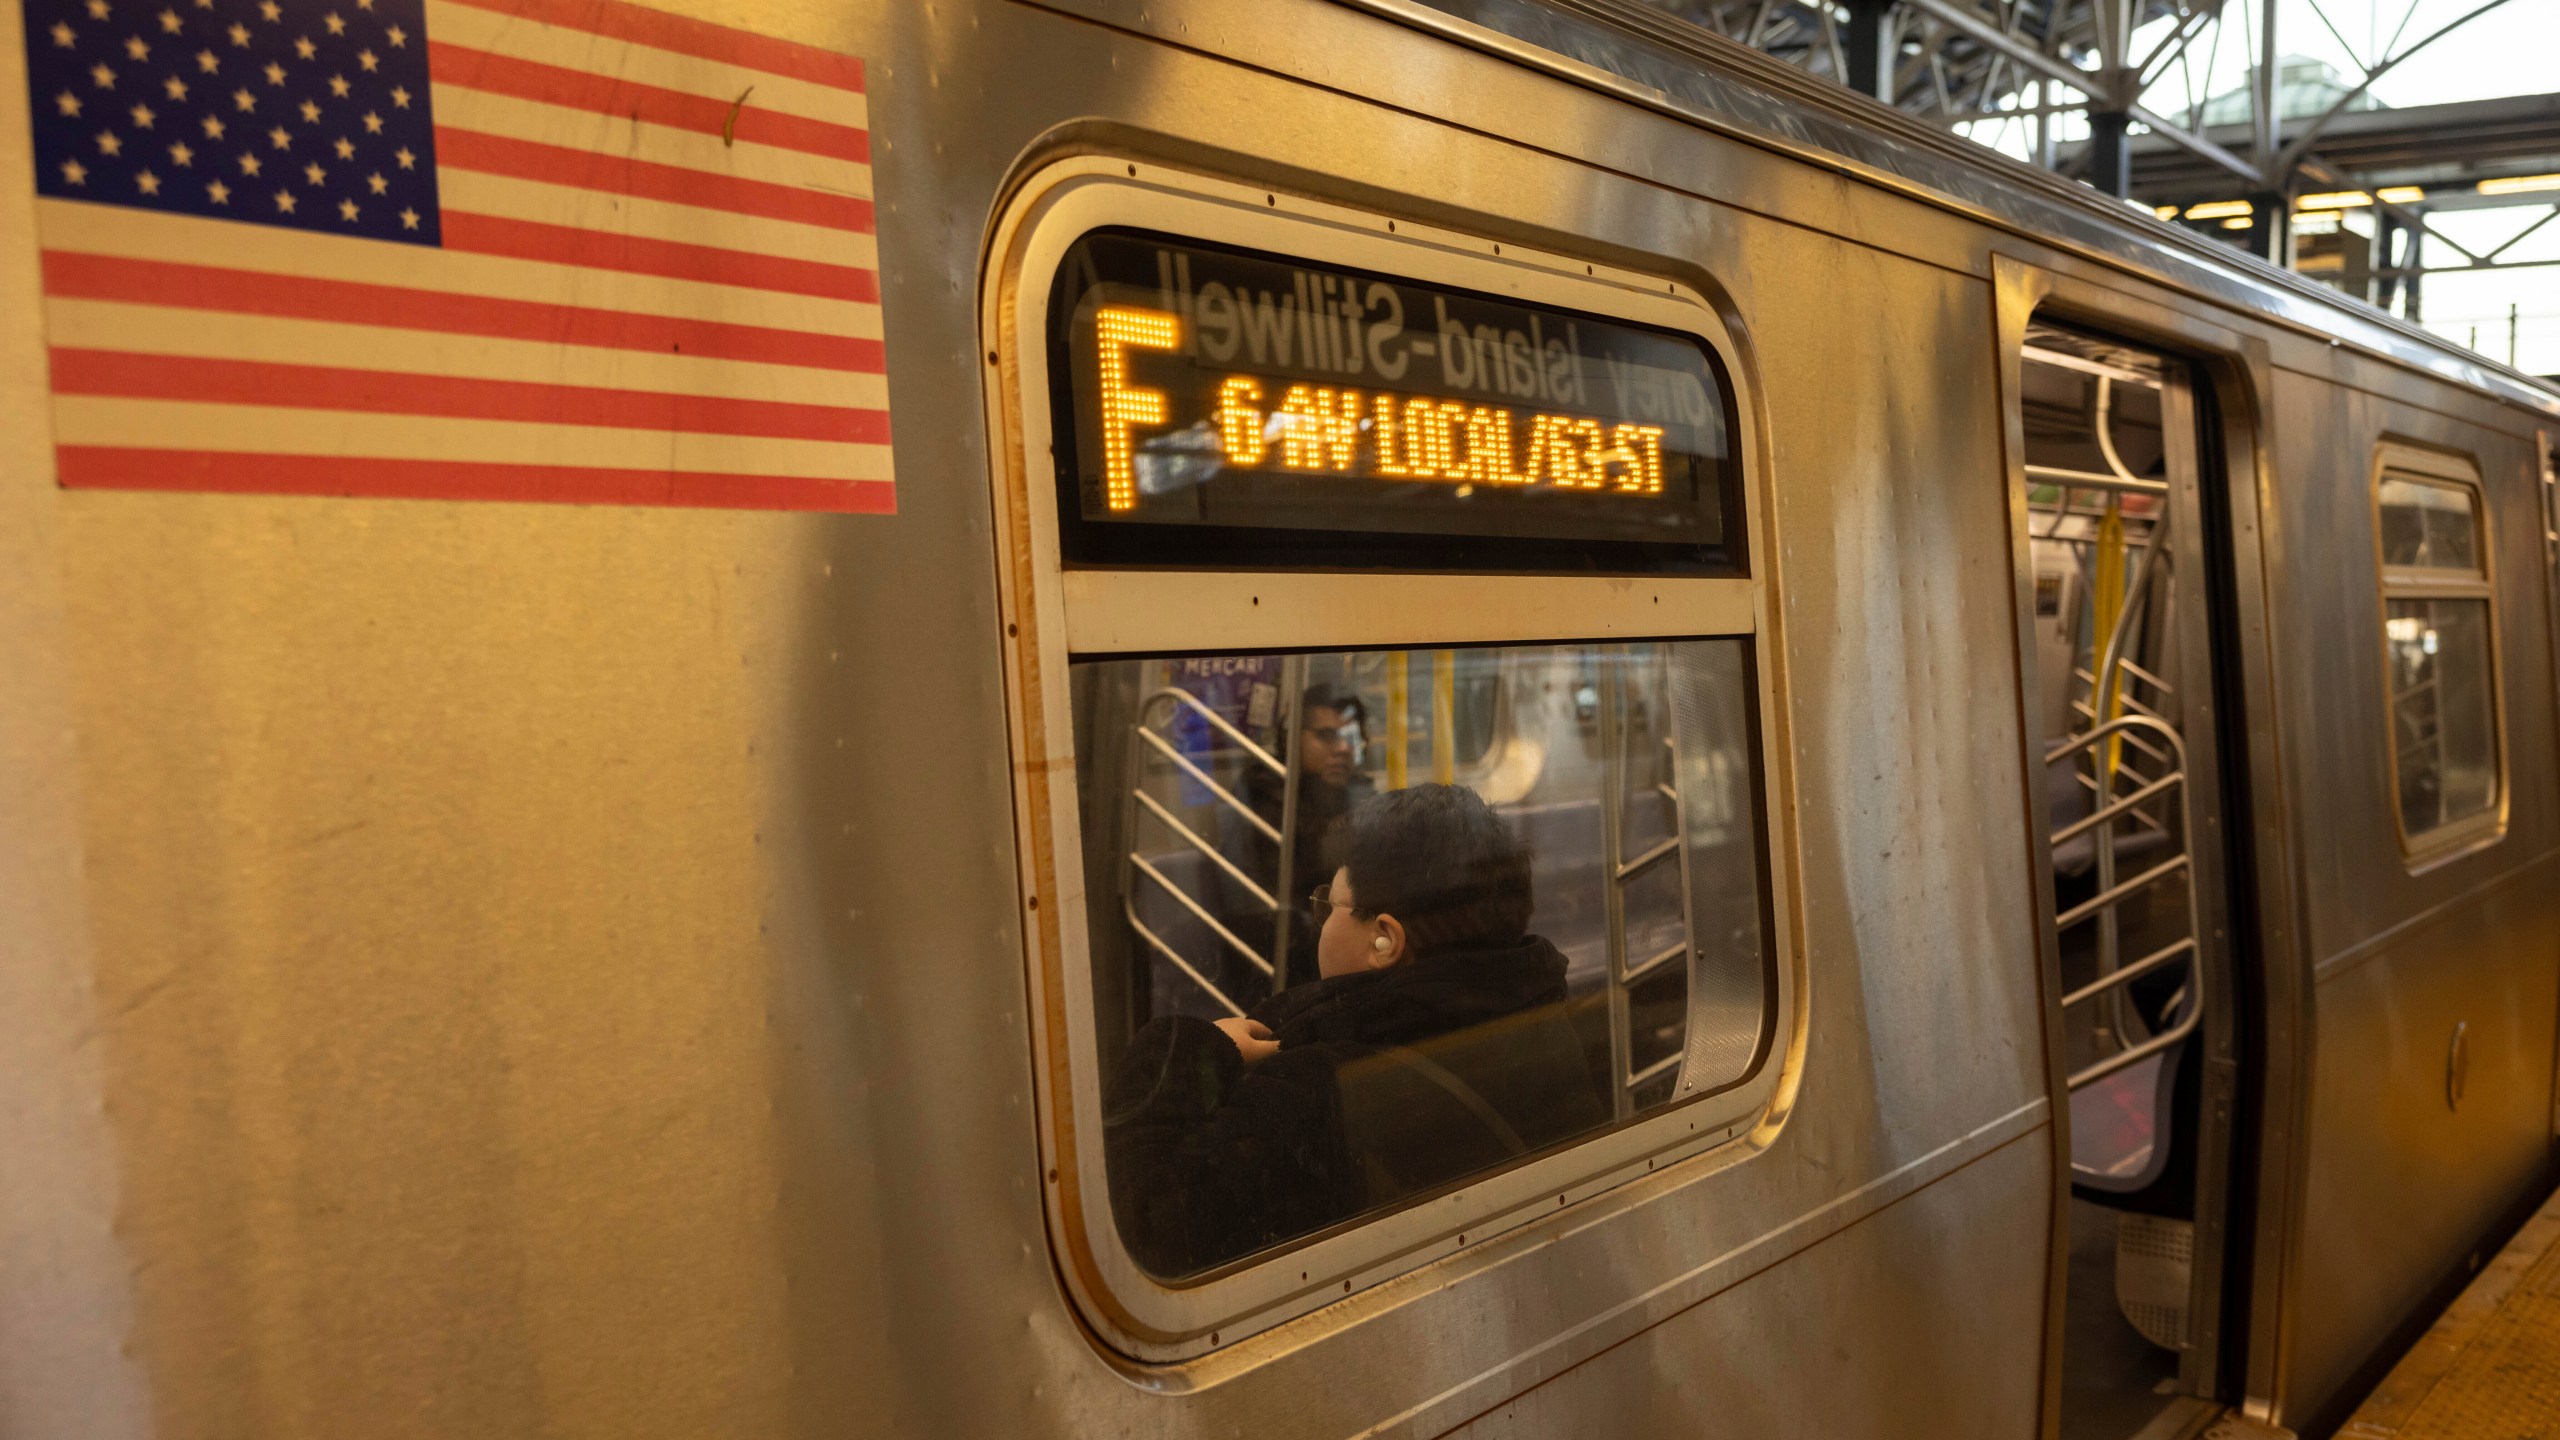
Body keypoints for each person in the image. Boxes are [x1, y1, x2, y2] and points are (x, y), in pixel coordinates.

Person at [1105, 784, 1607, 1277]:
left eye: (1328, 906)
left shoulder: (1320, 1087)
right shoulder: (1535, 1015)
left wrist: (1189, 1053)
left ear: (1384, 939)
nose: (1318, 923)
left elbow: (1142, 1234)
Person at [1217, 684, 1370, 993]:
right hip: (1281, 947)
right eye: (1326, 736)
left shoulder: (1356, 791)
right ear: (1292, 740)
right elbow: (1279, 893)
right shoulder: (1264, 795)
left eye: (1351, 737)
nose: (1343, 748)